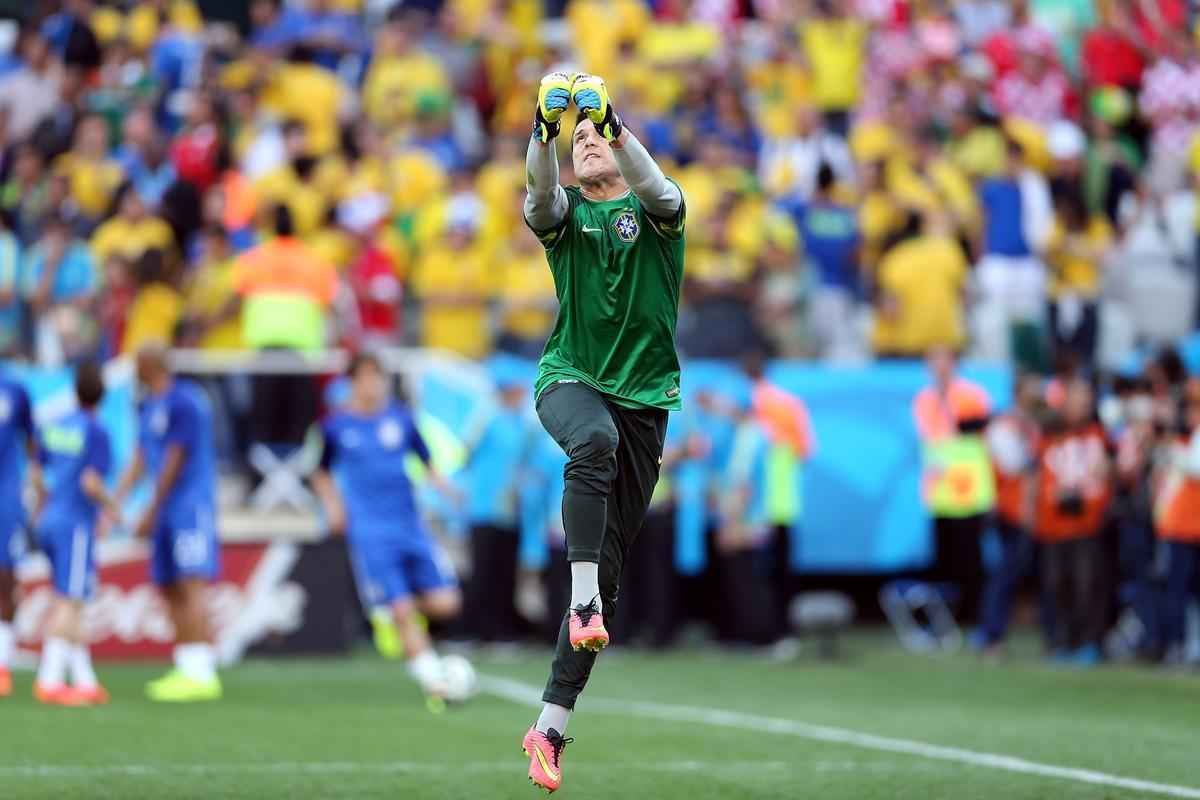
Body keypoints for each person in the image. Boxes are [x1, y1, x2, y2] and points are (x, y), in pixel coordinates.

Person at [520, 72, 685, 793]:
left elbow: (661, 189)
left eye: (594, 136)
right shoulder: (568, 221)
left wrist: (611, 123)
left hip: (644, 404)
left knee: (611, 581)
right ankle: (581, 594)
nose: (583, 143)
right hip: (571, 379)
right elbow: (537, 195)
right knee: (591, 443)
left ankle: (548, 727)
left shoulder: (657, 214)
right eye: (575, 138)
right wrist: (540, 131)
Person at [311, 352, 462, 707]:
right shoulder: (335, 427)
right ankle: (434, 683)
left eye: (378, 377)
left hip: (411, 525)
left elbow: (426, 461)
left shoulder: (402, 419)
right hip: (370, 531)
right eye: (365, 378)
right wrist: (333, 507)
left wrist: (443, 487)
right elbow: (319, 471)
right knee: (402, 609)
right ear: (353, 382)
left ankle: (389, 614)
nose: (373, 385)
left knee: (446, 604)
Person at [112, 343, 222, 701]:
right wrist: (116, 500)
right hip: (165, 510)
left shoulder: (184, 402)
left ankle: (203, 672)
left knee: (191, 584)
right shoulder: (150, 405)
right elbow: (142, 457)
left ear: (150, 364)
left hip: (188, 506)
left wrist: (150, 510)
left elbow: (175, 460)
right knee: (169, 585)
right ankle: (187, 665)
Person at [29, 363, 116, 705]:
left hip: (50, 519)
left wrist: (45, 505)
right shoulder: (96, 431)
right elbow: (91, 482)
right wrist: (113, 508)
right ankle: (49, 679)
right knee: (70, 601)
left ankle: (84, 679)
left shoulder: (55, 425)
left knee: (72, 598)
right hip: (76, 524)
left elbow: (37, 473)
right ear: (102, 395)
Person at [912, 347, 995, 624]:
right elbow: (929, 438)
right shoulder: (924, 399)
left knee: (970, 557)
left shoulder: (971, 394)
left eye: (943, 360)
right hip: (940, 491)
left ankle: (975, 615)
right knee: (943, 559)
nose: (939, 366)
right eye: (934, 360)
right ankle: (946, 617)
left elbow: (980, 428)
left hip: (969, 490)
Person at [1033, 377, 1111, 665]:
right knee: (1057, 585)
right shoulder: (1050, 436)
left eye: (1086, 400)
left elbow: (1105, 474)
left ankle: (1089, 642)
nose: (1082, 405)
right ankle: (1061, 641)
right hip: (1054, 525)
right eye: (1077, 399)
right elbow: (1039, 478)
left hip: (1087, 523)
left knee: (1087, 584)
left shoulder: (1097, 435)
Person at [978, 373, 1044, 654]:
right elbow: (1012, 463)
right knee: (1004, 575)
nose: (1038, 393)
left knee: (1017, 574)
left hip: (1034, 512)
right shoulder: (1006, 425)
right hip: (1011, 510)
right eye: (1032, 388)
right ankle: (992, 634)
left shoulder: (1032, 424)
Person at [1153, 378, 1200, 666]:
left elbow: (1196, 468)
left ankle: (1187, 646)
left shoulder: (1184, 444)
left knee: (1186, 592)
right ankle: (1179, 645)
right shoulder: (1184, 440)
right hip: (1178, 528)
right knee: (1178, 591)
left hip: (1191, 527)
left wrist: (1173, 451)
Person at [0, 372, 35, 697]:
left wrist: (37, 483)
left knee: (6, 576)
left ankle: (2, 661)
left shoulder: (14, 388)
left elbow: (32, 438)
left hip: (5, 499)